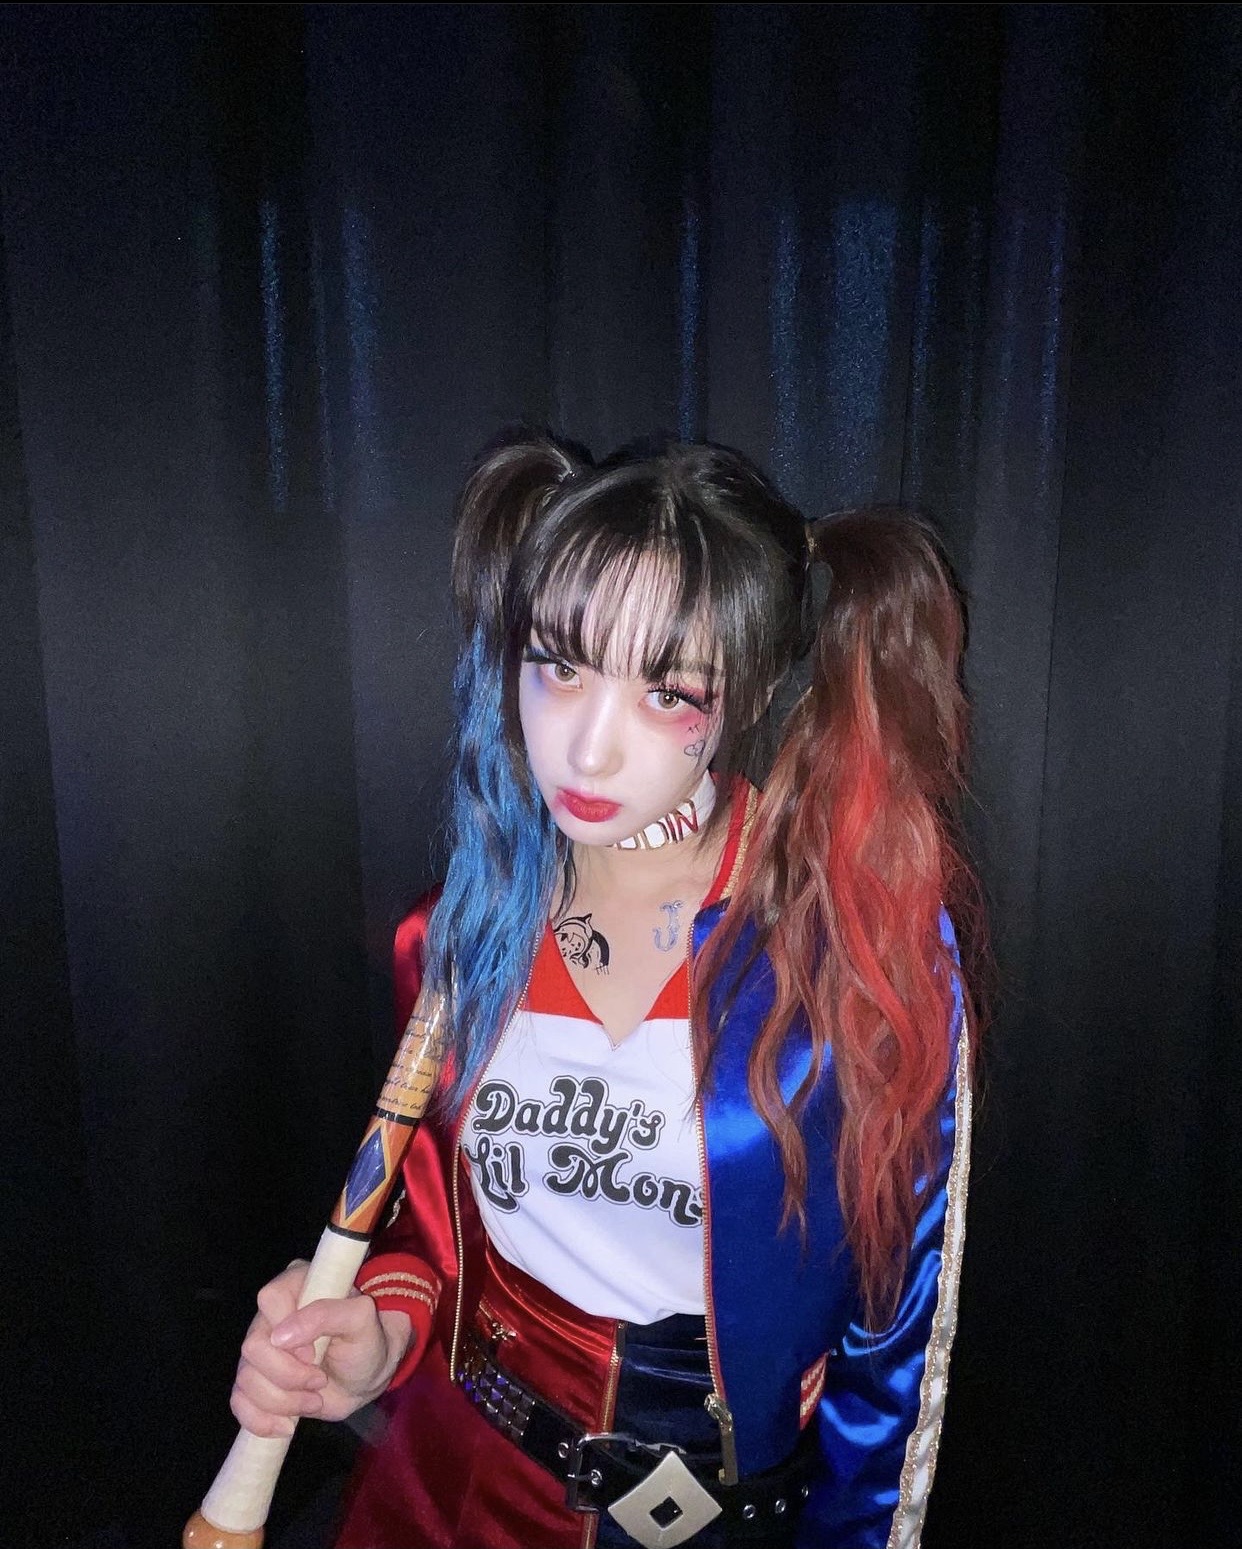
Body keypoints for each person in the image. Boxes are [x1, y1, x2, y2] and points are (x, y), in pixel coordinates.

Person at [230, 433, 980, 1549]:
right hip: (456, 1495)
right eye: (560, 665)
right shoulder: (457, 939)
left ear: (747, 691)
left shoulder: (856, 957)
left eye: (666, 692)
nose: (586, 750)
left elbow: (893, 1333)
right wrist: (378, 1335)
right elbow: (436, 1238)